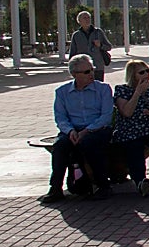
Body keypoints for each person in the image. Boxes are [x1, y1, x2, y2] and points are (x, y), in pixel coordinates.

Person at [38, 54, 114, 203]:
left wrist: (87, 131)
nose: (91, 74)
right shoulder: (62, 92)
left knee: (89, 143)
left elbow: (106, 116)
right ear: (74, 74)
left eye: (91, 70)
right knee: (60, 145)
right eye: (86, 72)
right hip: (73, 129)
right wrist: (71, 131)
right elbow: (60, 117)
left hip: (97, 129)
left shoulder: (103, 89)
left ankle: (103, 185)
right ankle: (55, 188)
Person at [112, 60, 149, 197]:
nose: (146, 75)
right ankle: (140, 181)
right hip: (131, 129)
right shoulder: (123, 90)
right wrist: (137, 92)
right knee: (134, 149)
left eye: (147, 71)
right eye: (141, 72)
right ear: (133, 75)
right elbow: (126, 112)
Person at [68, 10, 113, 82]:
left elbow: (109, 47)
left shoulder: (98, 32)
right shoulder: (76, 35)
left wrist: (100, 45)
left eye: (88, 17)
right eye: (85, 18)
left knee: (98, 88)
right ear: (79, 21)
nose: (87, 20)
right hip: (83, 69)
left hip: (97, 67)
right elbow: (73, 53)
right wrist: (72, 68)